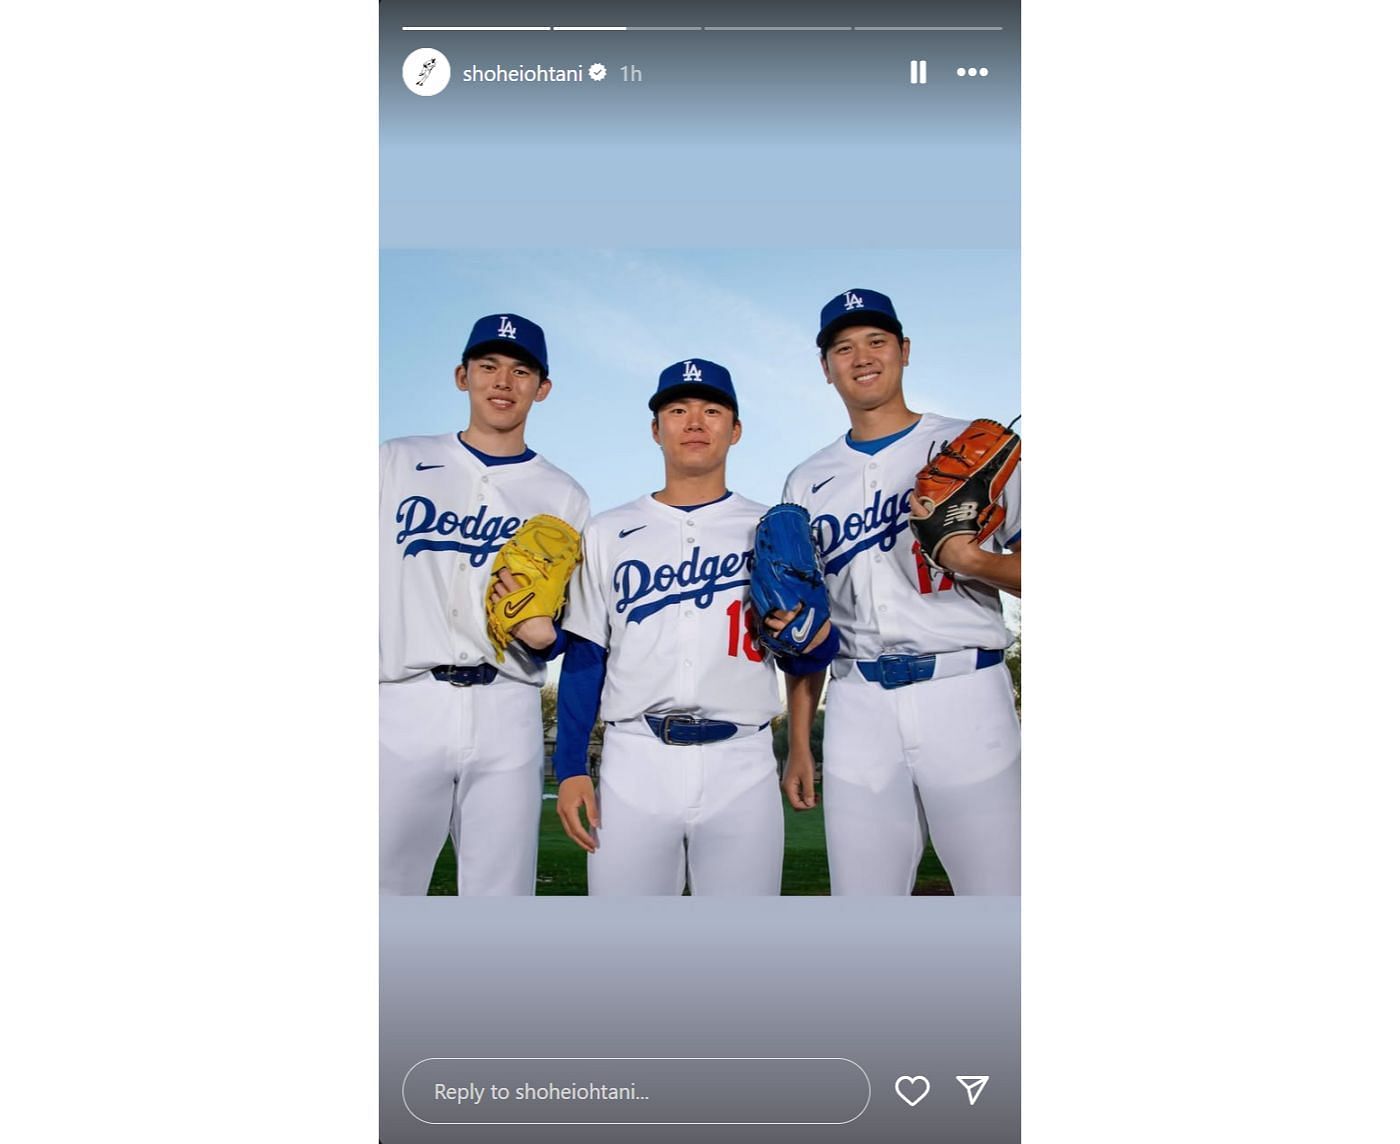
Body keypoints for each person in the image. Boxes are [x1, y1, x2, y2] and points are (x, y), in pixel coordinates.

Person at [553, 359, 838, 895]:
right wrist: (570, 765)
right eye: (678, 410)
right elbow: (587, 656)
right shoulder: (608, 532)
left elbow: (809, 652)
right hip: (634, 761)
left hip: (743, 761)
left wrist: (815, 641)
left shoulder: (771, 527)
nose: (694, 422)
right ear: (656, 429)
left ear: (735, 430)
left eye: (712, 410)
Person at [781, 289, 1021, 895]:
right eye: (844, 346)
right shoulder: (806, 480)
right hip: (858, 704)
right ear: (826, 367)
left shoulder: (972, 446)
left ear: (904, 351)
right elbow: (811, 624)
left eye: (876, 341)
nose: (862, 356)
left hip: (965, 690)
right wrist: (802, 740)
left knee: (1003, 895)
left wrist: (971, 559)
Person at [379, 312, 589, 895]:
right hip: (402, 701)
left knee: (501, 895)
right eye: (488, 366)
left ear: (541, 388)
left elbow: (577, 621)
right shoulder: (394, 462)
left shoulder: (565, 494)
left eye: (521, 371)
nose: (503, 381)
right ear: (461, 376)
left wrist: (549, 638)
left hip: (508, 704)